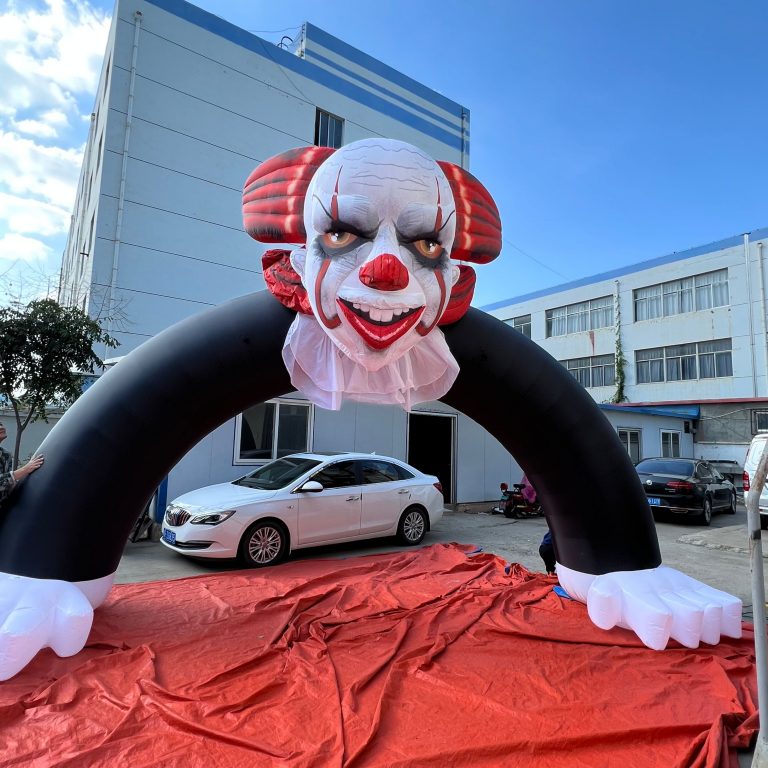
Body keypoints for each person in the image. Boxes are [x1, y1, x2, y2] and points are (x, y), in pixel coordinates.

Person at [0, 422, 44, 505]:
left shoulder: (6, 455)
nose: (1, 427)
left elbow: (6, 487)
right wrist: (25, 469)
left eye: (1, 424)